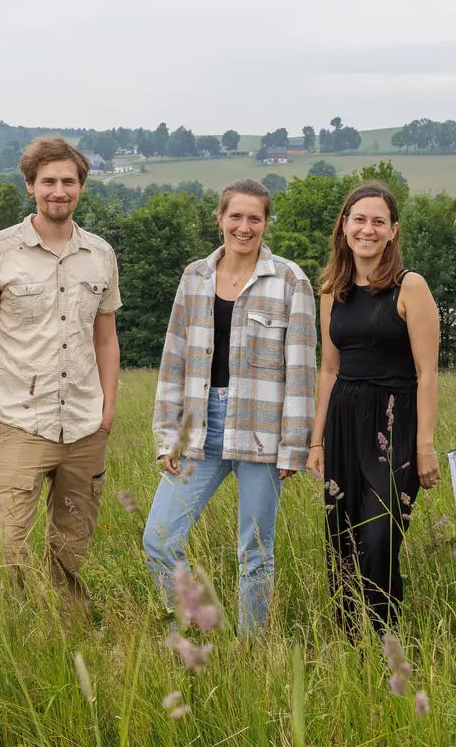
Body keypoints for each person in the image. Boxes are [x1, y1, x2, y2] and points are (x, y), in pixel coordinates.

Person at [143, 178, 317, 636]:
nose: (244, 226)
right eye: (235, 216)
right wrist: (168, 434)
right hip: (199, 430)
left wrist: (292, 447)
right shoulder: (194, 277)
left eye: (254, 218)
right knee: (159, 538)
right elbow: (173, 359)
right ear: (219, 218)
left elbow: (300, 369)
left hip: (262, 430)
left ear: (265, 222)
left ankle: (250, 649)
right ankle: (190, 630)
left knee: (255, 551)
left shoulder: (289, 281)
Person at [0, 136, 121, 609]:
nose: (59, 190)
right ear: (30, 185)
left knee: (70, 550)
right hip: (19, 423)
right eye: (48, 181)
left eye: (68, 181)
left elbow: (106, 338)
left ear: (81, 188)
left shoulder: (100, 254)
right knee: (8, 546)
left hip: (85, 427)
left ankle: (68, 640)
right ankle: (4, 642)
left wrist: (107, 412)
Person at [307, 181, 440, 636]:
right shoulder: (332, 289)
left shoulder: (411, 287)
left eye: (378, 221)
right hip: (344, 419)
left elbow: (427, 373)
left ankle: (387, 642)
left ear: (393, 230)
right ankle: (351, 647)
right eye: (359, 219)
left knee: (380, 541)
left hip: (394, 423)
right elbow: (328, 369)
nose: (368, 229)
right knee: (340, 539)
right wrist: (316, 440)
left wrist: (425, 445)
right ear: (344, 226)